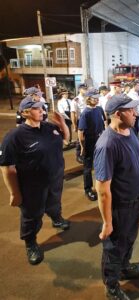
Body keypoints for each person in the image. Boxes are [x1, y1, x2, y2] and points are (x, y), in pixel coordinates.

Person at [0, 97, 70, 265]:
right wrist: (14, 193)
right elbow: (7, 168)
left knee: (54, 203)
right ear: (25, 112)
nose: (42, 110)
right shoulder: (14, 137)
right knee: (32, 215)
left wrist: (62, 124)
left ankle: (56, 218)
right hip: (32, 186)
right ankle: (30, 243)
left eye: (42, 107)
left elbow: (65, 140)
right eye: (37, 108)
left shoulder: (48, 127)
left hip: (54, 179)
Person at [94, 94, 139, 300]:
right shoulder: (106, 145)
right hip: (120, 207)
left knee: (129, 240)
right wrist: (107, 222)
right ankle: (112, 285)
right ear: (117, 114)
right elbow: (103, 190)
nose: (135, 113)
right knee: (114, 247)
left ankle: (124, 268)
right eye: (130, 110)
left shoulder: (129, 130)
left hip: (135, 202)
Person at [78, 89, 106, 201]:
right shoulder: (86, 113)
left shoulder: (99, 109)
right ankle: (88, 189)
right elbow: (81, 132)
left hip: (100, 139)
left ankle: (100, 185)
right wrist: (82, 147)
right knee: (88, 167)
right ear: (88, 99)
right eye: (94, 97)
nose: (97, 99)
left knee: (100, 164)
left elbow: (104, 122)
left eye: (97, 97)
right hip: (90, 141)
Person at [71, 83, 88, 163]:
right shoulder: (76, 100)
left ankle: (86, 153)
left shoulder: (87, 98)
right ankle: (79, 155)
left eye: (86, 88)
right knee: (79, 139)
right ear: (79, 89)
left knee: (87, 138)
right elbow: (73, 113)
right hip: (80, 120)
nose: (85, 90)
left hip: (88, 120)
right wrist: (74, 125)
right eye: (84, 88)